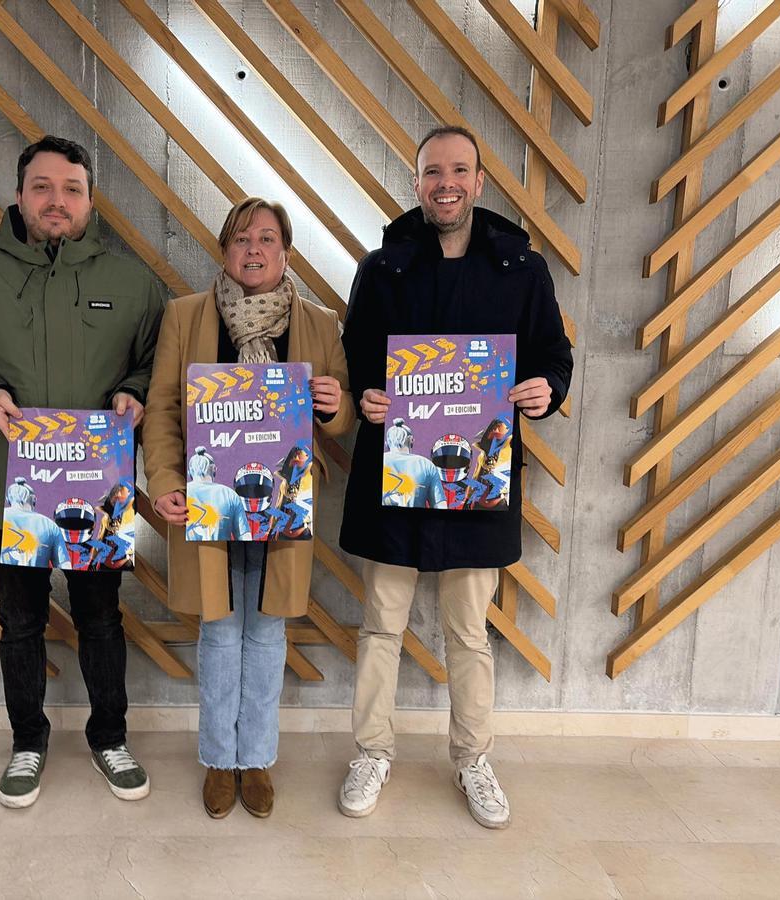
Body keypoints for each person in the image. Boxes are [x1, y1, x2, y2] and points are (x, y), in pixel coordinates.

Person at [0, 135, 164, 809]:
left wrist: (135, 389)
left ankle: (110, 737)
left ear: (89, 199)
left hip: (97, 490)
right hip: (10, 492)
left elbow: (156, 363)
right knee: (19, 622)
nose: (57, 201)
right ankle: (27, 742)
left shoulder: (131, 283)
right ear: (20, 195)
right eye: (43, 187)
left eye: (71, 189)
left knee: (101, 618)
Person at [337, 126, 572, 828]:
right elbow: (355, 361)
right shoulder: (382, 268)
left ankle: (473, 759)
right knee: (381, 627)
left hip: (478, 482)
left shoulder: (523, 269)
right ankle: (373, 752)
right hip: (399, 478)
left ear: (478, 181)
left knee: (469, 633)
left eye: (460, 170)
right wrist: (368, 395)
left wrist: (542, 389)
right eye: (433, 171)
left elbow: (553, 356)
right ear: (417, 183)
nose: (447, 182)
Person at [144, 197, 355, 819]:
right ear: (224, 250)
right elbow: (160, 408)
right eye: (241, 238)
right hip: (208, 503)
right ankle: (218, 758)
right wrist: (161, 478)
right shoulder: (185, 316)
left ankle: (256, 757)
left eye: (267, 238)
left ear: (285, 252)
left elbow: (341, 421)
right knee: (217, 630)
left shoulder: (317, 323)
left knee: (266, 631)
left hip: (281, 501)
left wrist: (330, 402)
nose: (254, 249)